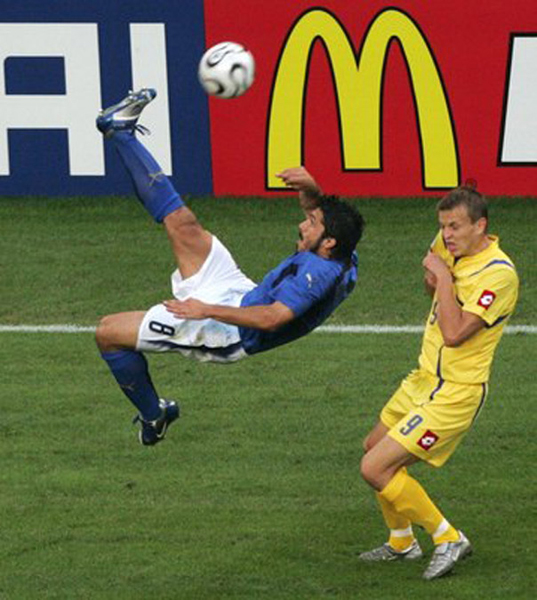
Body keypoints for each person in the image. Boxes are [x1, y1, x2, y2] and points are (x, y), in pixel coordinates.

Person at [94, 89, 365, 447]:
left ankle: (153, 415)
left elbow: (271, 318)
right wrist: (313, 190)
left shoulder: (316, 277)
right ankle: (121, 132)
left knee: (108, 332)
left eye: (311, 223)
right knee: (182, 222)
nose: (302, 225)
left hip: (229, 331)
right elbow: (325, 223)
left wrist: (204, 309)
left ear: (327, 242)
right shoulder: (345, 255)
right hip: (240, 293)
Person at [359, 185, 519, 580]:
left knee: (375, 468)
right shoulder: (451, 247)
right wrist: (437, 278)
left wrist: (445, 281)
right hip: (423, 378)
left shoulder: (499, 275)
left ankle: (448, 537)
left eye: (455, 227)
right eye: (443, 226)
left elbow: (454, 333)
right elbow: (429, 276)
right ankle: (402, 542)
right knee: (373, 446)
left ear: (481, 226)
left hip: (455, 393)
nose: (447, 235)